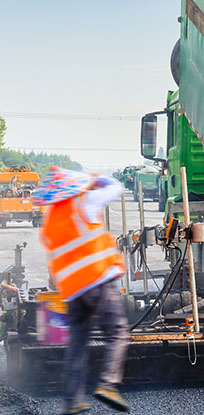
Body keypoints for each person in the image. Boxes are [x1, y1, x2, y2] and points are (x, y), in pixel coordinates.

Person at [32, 167, 131, 414]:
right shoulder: (83, 203)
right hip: (98, 281)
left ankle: (72, 402)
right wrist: (97, 179)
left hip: (72, 292)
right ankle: (108, 385)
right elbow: (117, 188)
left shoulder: (50, 221)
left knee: (78, 345)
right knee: (117, 332)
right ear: (73, 187)